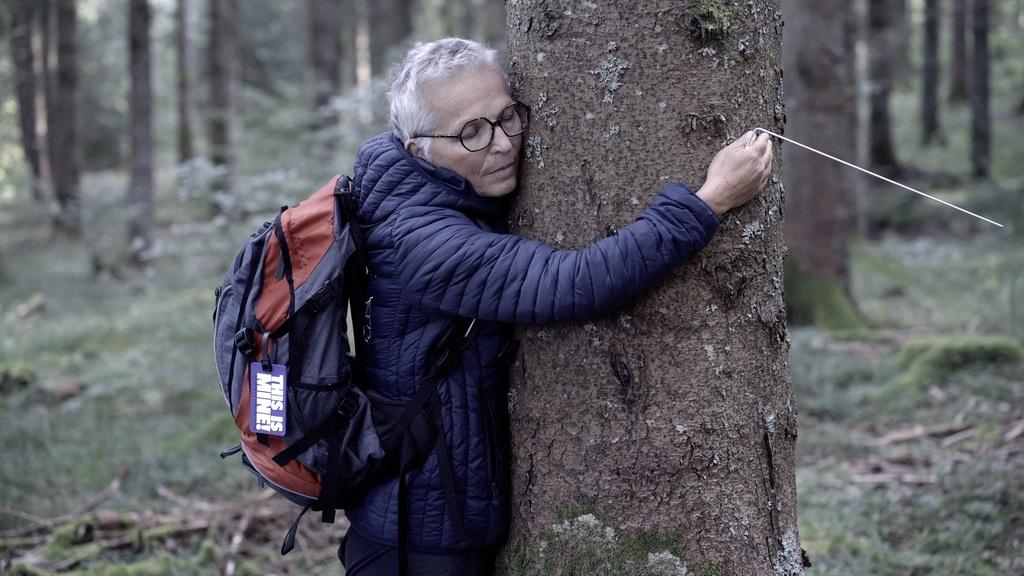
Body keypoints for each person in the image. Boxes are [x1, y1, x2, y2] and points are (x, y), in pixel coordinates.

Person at [341, 38, 772, 575]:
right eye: (470, 132)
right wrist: (710, 201)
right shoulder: (420, 240)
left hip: (446, 518)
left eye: (507, 117)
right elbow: (571, 282)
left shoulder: (439, 193)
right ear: (417, 150)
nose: (501, 144)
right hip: (416, 539)